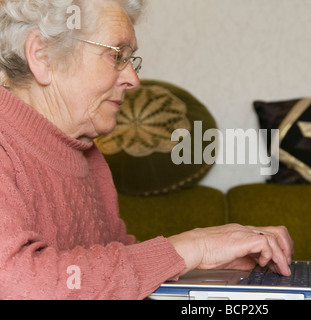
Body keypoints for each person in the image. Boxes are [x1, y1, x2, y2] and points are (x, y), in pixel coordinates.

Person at [0, 0, 293, 300]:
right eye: (116, 56)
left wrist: (207, 264)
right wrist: (190, 247)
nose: (133, 79)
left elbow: (110, 271)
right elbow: (16, 283)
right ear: (42, 56)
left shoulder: (87, 152)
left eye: (131, 59)